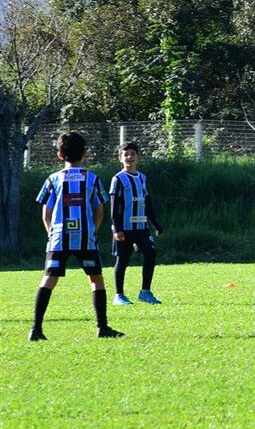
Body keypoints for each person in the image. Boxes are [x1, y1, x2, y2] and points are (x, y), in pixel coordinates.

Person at [30, 132, 124, 341]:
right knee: (96, 279)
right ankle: (102, 328)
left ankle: (36, 329)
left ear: (59, 155)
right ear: (85, 153)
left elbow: (46, 213)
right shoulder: (92, 178)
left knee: (49, 279)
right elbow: (99, 211)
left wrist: (52, 235)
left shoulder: (53, 179)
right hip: (85, 237)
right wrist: (92, 231)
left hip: (58, 237)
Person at [109, 142, 164, 306]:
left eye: (133, 154)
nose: (129, 157)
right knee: (123, 259)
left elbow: (147, 203)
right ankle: (119, 295)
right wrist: (116, 228)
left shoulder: (142, 178)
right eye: (126, 154)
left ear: (137, 157)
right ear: (120, 158)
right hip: (124, 229)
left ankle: (145, 292)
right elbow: (114, 205)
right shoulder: (118, 179)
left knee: (151, 253)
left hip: (141, 228)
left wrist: (156, 225)